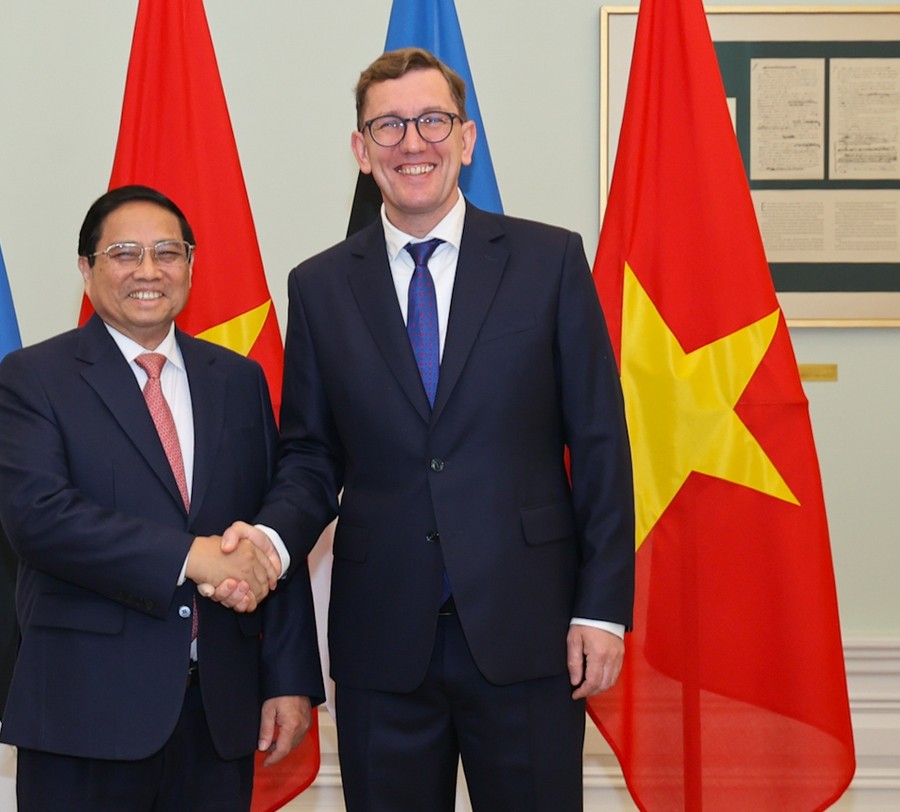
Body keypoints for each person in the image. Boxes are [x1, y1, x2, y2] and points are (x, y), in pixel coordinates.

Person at [225, 48, 635, 811]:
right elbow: (310, 454)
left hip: (529, 631)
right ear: (360, 150)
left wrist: (600, 609)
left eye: (432, 121)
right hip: (382, 641)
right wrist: (269, 544)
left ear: (466, 139)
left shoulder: (548, 261)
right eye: (388, 126)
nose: (411, 142)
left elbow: (600, 444)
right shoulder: (319, 285)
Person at [0, 184, 323, 812]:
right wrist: (191, 556)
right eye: (124, 253)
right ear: (86, 268)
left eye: (168, 252)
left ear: (191, 266)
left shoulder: (239, 380)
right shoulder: (34, 378)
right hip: (85, 714)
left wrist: (289, 678)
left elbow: (270, 532)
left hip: (217, 712)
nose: (148, 270)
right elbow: (40, 519)